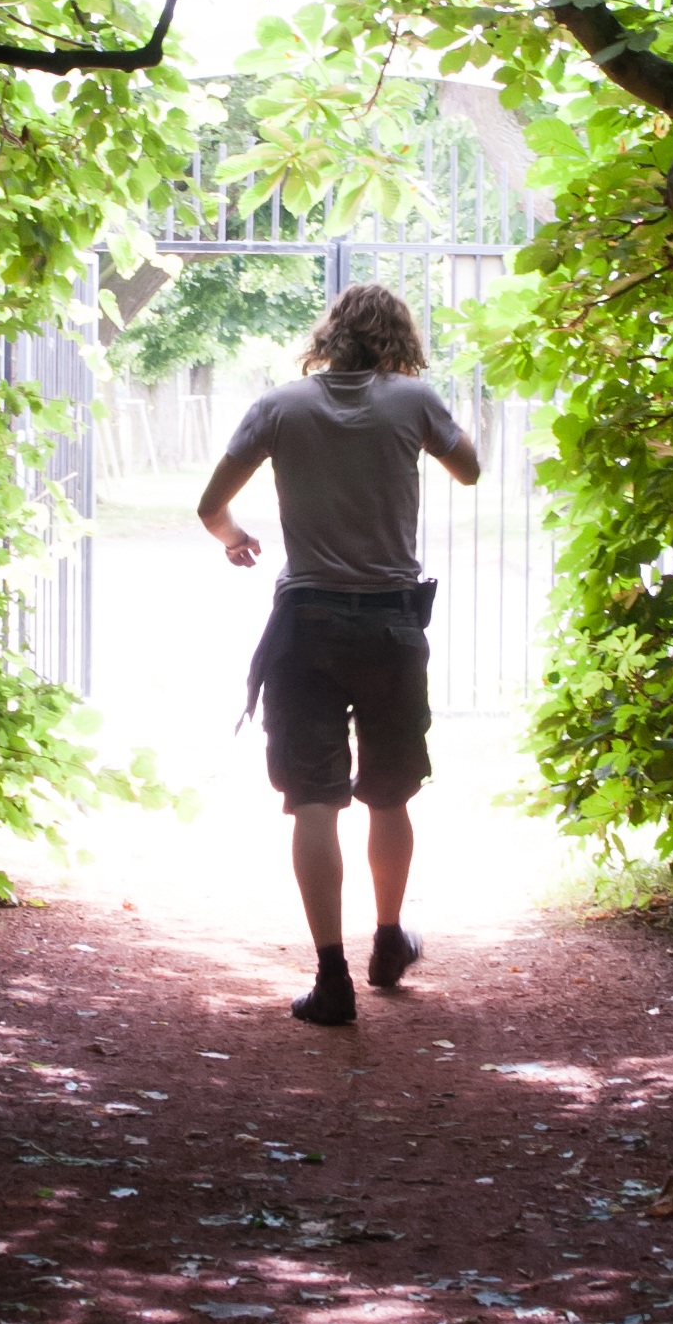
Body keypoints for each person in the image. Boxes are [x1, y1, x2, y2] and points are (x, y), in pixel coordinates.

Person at [196, 282, 481, 1028]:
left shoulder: (280, 407)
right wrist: (429, 424)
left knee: (313, 800)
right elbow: (471, 468)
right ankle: (388, 941)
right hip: (391, 625)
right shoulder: (413, 402)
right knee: (388, 793)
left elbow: (210, 506)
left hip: (306, 625)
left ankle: (331, 979)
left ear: (328, 336)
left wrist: (235, 539)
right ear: (400, 338)